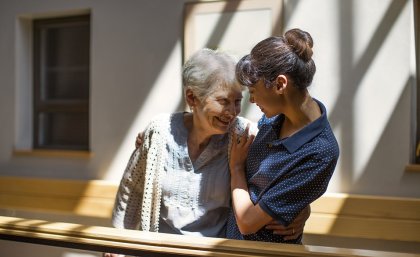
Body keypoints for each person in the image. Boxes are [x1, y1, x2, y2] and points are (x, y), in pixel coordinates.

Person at [109, 48, 310, 247]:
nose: (232, 112)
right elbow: (132, 189)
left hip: (216, 252)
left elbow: (285, 176)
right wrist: (117, 243)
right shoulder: (160, 132)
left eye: (237, 101)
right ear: (192, 98)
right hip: (161, 249)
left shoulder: (244, 136)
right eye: (223, 101)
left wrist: (302, 211)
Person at [227, 28, 340, 244]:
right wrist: (299, 207)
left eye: (253, 90)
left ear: (280, 84)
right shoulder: (273, 119)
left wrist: (236, 168)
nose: (251, 100)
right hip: (233, 244)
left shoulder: (321, 152)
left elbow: (248, 222)